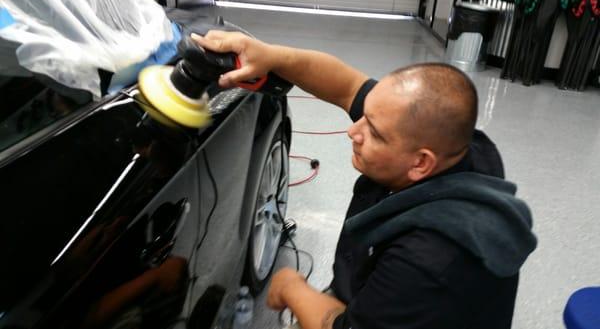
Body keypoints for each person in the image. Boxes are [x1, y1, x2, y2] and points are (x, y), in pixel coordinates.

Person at [192, 31, 537, 329]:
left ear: (421, 163)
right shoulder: (450, 142)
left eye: (374, 132)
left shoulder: (427, 260)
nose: (353, 130)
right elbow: (347, 86)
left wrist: (292, 287)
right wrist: (271, 55)